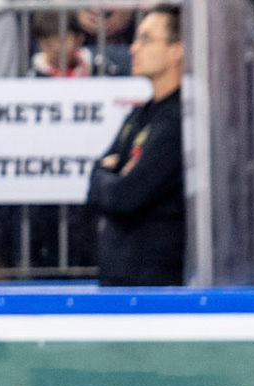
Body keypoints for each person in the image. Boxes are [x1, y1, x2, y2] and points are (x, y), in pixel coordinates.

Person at [86, 5, 186, 286]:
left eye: (146, 39)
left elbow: (126, 197)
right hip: (119, 273)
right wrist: (106, 176)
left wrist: (105, 176)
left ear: (176, 50)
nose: (133, 49)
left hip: (155, 282)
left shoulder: (178, 121)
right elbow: (96, 179)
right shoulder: (139, 114)